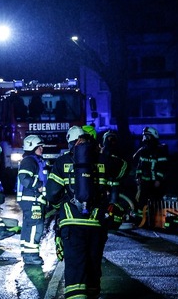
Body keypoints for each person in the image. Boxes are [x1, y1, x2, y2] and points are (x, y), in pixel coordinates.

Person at [45, 126, 114, 299]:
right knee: (93, 266)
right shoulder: (102, 159)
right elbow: (122, 171)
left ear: (70, 142)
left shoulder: (61, 162)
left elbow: (52, 194)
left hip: (71, 223)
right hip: (96, 223)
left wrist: (62, 206)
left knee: (76, 268)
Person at [16, 135, 47, 265]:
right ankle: (31, 255)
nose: (41, 149)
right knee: (35, 226)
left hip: (32, 199)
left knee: (29, 226)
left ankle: (27, 252)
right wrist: (39, 185)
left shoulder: (34, 160)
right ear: (32, 147)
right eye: (39, 147)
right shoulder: (29, 161)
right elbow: (24, 178)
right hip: (32, 199)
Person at [132, 126, 169, 227]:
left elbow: (163, 167)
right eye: (144, 136)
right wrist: (138, 176)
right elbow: (139, 165)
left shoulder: (160, 150)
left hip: (156, 183)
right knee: (141, 201)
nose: (145, 138)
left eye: (147, 136)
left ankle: (155, 222)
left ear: (153, 137)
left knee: (156, 201)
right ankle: (141, 221)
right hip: (145, 181)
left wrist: (158, 179)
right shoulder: (143, 150)